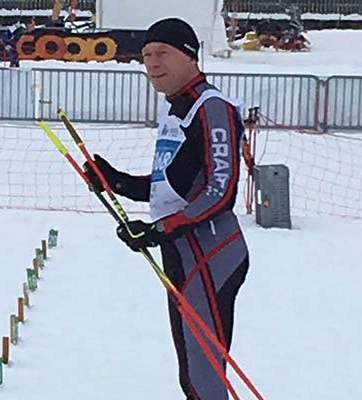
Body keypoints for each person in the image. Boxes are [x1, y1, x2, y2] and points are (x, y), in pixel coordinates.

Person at [84, 18, 249, 400]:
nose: (153, 63)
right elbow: (170, 188)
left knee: (202, 370)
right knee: (192, 368)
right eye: (145, 55)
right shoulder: (176, 109)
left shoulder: (212, 107)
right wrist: (117, 181)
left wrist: (159, 230)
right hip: (182, 249)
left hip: (210, 251)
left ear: (190, 56)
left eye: (162, 53)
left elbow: (219, 192)